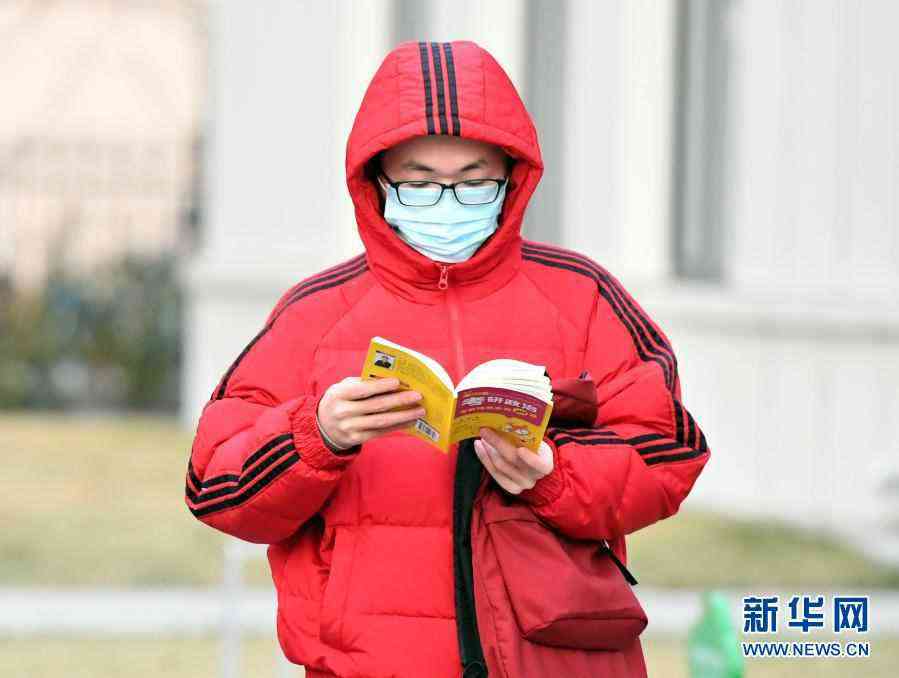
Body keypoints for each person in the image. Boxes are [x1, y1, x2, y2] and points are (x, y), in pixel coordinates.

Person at [185, 40, 711, 678]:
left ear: (512, 179)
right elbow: (214, 484)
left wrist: (555, 473)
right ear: (377, 183)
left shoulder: (584, 297)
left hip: (556, 658)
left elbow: (667, 453)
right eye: (419, 183)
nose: (448, 202)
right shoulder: (314, 313)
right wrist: (317, 434)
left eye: (473, 181)